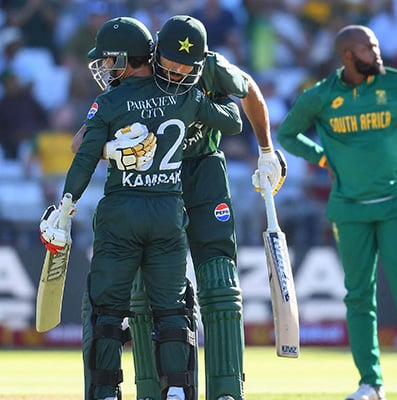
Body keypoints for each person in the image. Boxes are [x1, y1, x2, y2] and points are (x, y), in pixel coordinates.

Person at [38, 16, 242, 400]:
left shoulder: (110, 101)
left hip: (121, 213)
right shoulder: (185, 94)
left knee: (108, 311)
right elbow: (233, 122)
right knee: (171, 310)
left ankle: (105, 392)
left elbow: (81, 157)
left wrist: (66, 207)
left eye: (109, 60)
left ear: (127, 58)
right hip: (168, 211)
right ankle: (178, 391)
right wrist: (200, 93)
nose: (104, 68)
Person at [90, 15, 286, 400]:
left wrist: (266, 151)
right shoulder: (137, 69)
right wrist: (109, 149)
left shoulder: (213, 67)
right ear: (154, 52)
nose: (178, 75)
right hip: (155, 179)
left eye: (188, 70)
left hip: (203, 171)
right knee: (148, 284)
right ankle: (155, 388)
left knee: (218, 277)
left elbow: (250, 93)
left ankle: (227, 389)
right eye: (170, 66)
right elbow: (85, 137)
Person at [276, 25, 397, 400]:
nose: (377, 53)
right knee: (358, 296)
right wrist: (321, 157)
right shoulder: (321, 96)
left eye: (377, 46)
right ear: (347, 56)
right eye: (368, 48)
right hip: (349, 209)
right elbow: (287, 134)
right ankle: (370, 383)